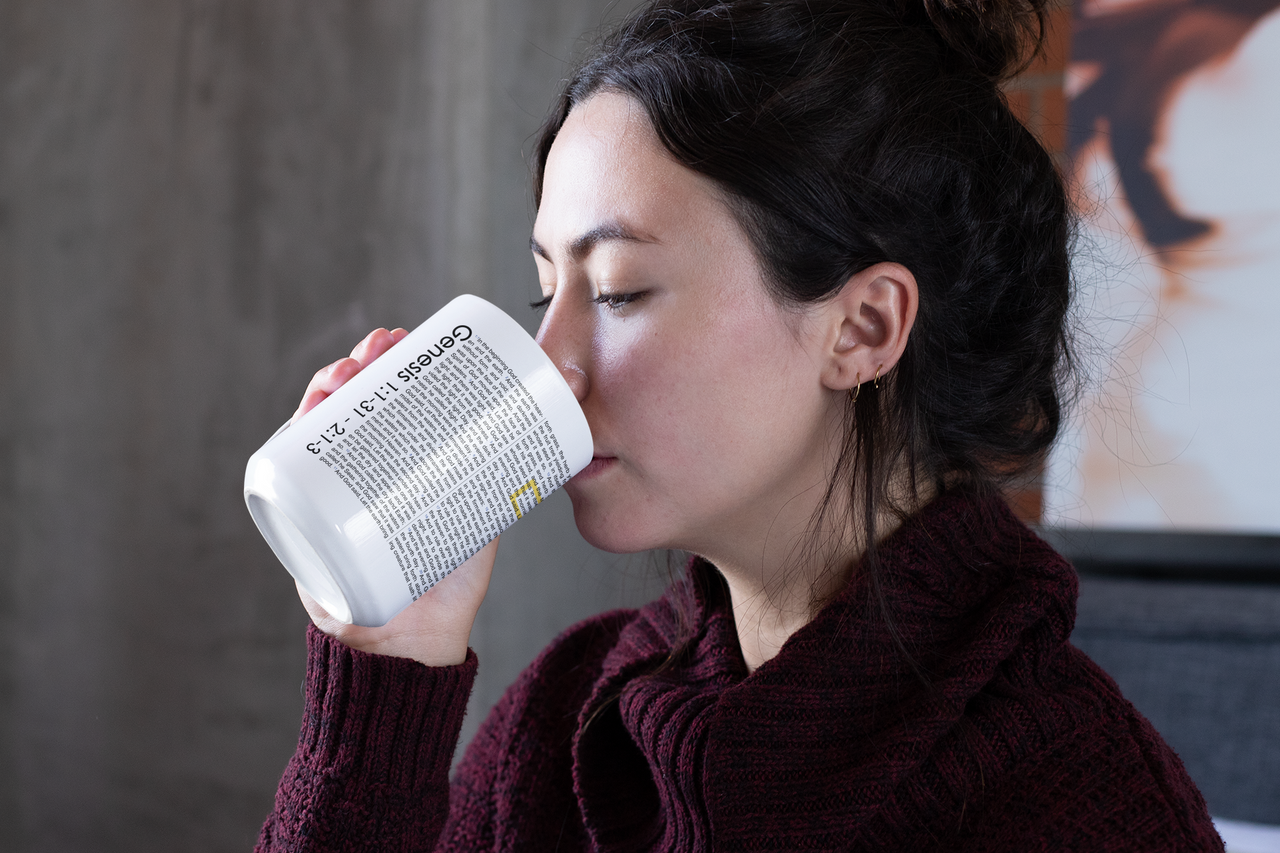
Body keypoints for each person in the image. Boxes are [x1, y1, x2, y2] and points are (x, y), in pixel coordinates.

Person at [257, 1, 1224, 850]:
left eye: (621, 290)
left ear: (863, 327)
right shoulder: (567, 723)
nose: (551, 358)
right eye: (548, 287)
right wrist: (384, 676)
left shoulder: (1080, 803)